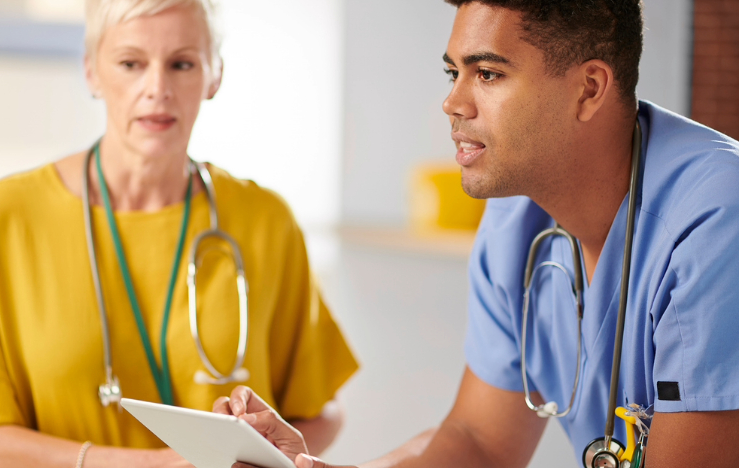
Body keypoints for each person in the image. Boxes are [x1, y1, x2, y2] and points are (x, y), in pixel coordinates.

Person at [218, 1, 739, 467]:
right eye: (453, 72)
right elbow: (479, 442)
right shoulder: (516, 221)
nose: (452, 102)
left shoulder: (717, 217)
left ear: (589, 88)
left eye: (487, 74)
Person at [0, 0, 358, 467]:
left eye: (182, 64)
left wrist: (263, 450)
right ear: (92, 71)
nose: (158, 89)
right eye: (131, 63)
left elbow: (321, 413)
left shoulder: (266, 222)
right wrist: (162, 465)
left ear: (215, 74)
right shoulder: (3, 219)